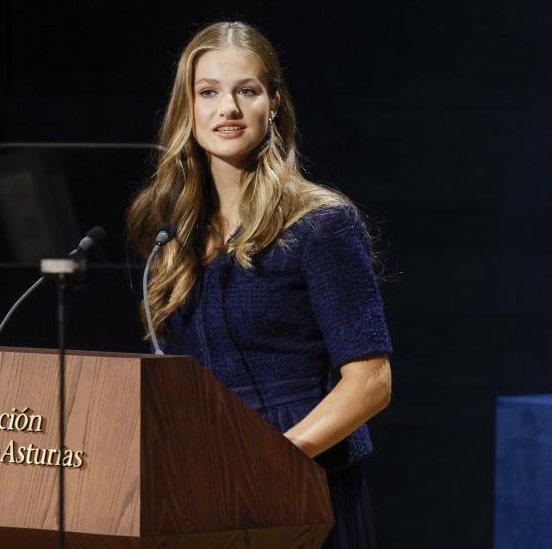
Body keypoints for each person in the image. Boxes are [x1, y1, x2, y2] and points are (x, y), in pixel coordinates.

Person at [127, 21, 393, 548]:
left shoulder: (320, 224)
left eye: (245, 91)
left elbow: (371, 383)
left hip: (303, 486)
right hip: (201, 493)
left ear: (273, 104)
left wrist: (268, 463)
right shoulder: (171, 238)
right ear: (188, 109)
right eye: (209, 93)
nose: (227, 108)